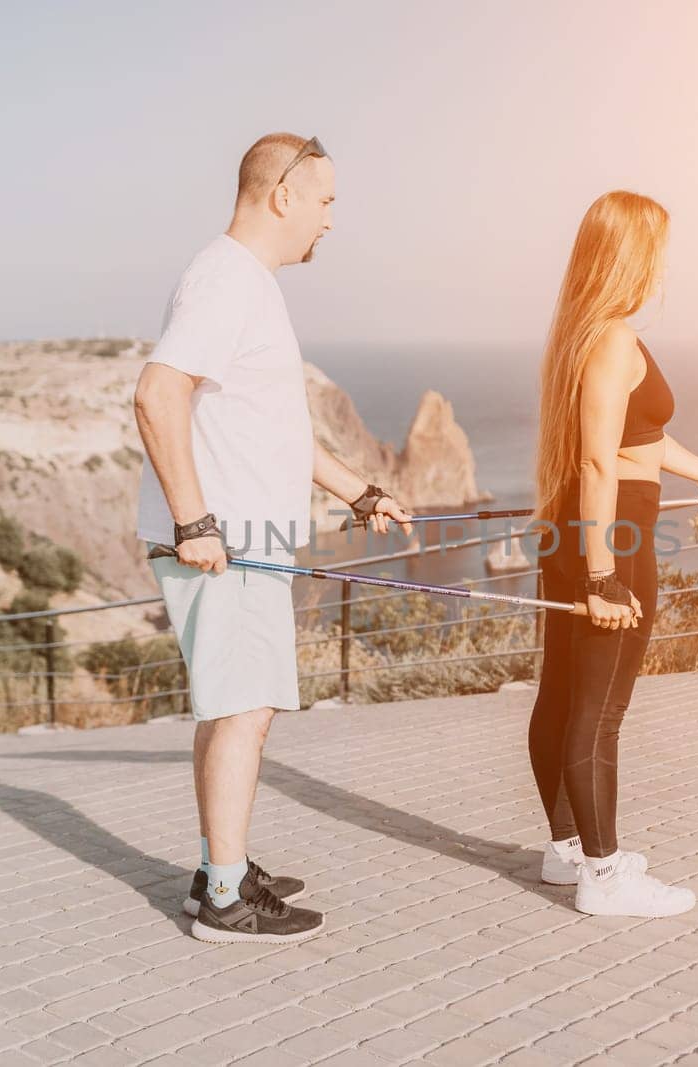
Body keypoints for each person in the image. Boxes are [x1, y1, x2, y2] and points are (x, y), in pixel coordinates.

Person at [133, 132, 413, 944]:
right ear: (283, 194)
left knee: (232, 708)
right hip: (226, 545)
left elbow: (275, 427)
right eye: (325, 201)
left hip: (241, 539)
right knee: (245, 710)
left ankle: (221, 866)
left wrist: (358, 490)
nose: (330, 220)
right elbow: (157, 395)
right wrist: (195, 522)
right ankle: (224, 899)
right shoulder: (225, 279)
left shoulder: (247, 283)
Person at [528, 190, 698, 918]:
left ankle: (568, 850)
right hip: (613, 537)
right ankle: (604, 874)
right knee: (599, 714)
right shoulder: (614, 340)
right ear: (632, 255)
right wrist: (602, 574)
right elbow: (601, 465)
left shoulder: (586, 335)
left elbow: (636, 440)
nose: (664, 264)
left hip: (580, 528)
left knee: (565, 699)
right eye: (656, 248)